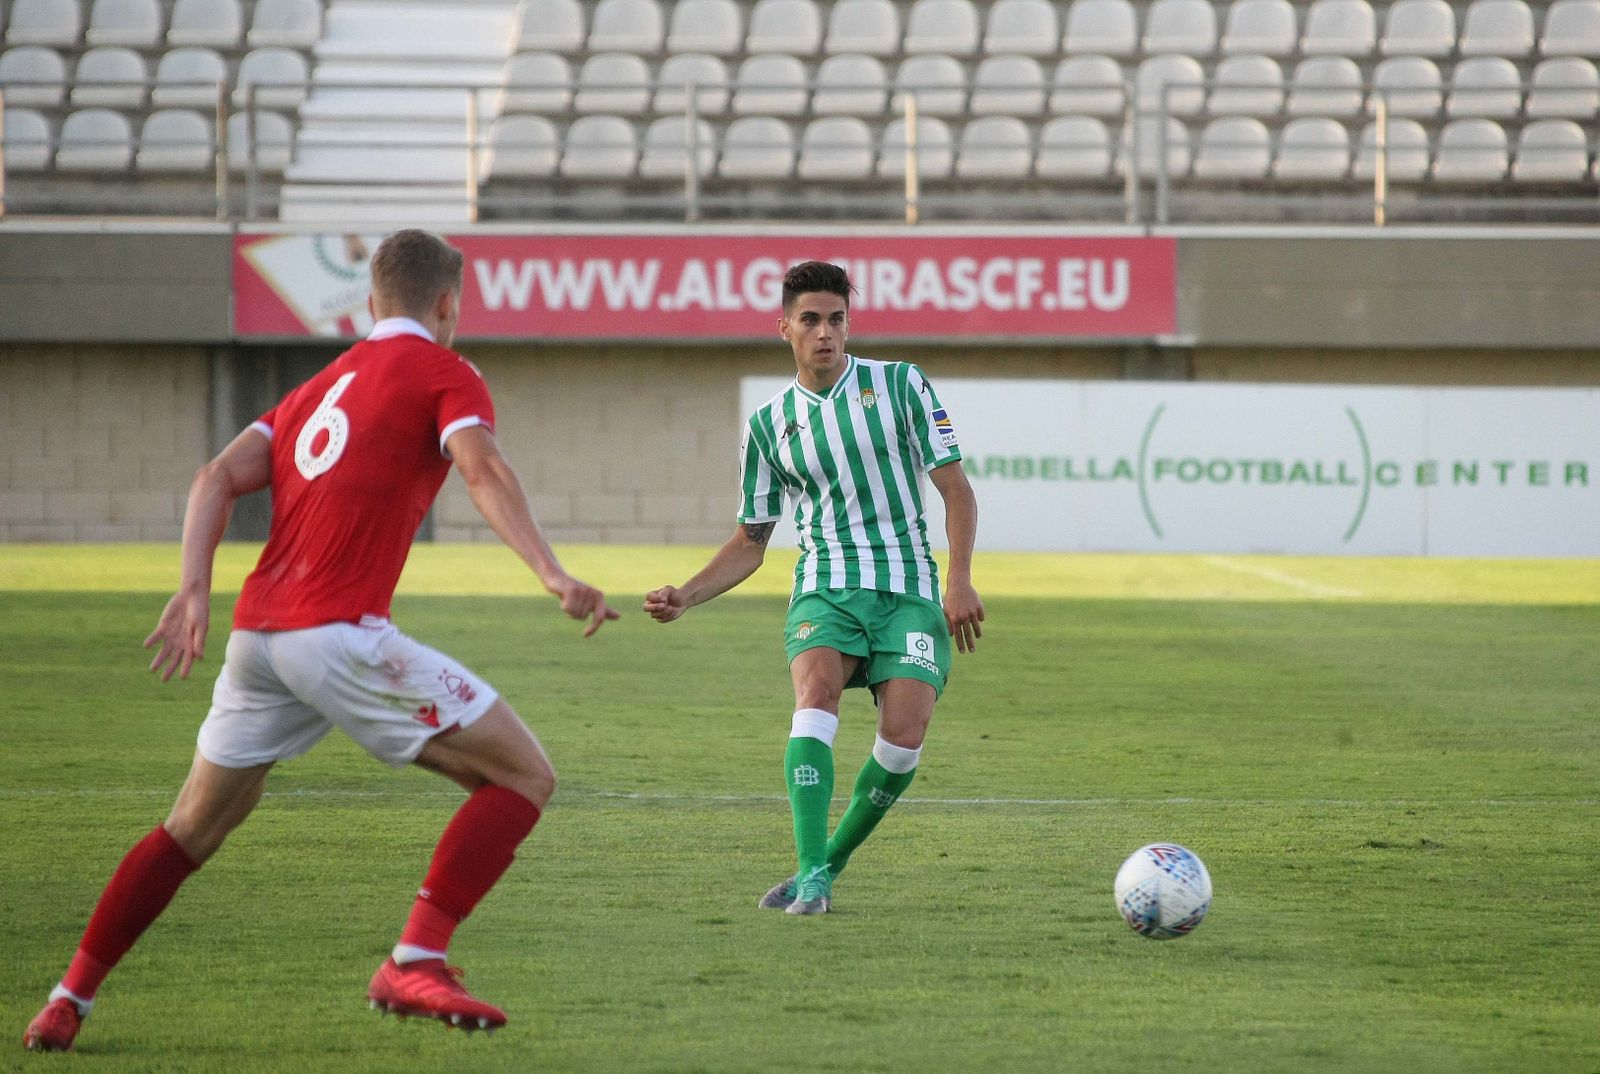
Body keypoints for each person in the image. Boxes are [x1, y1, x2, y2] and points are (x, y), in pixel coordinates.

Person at [23, 229, 618, 1051]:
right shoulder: (448, 372)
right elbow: (481, 469)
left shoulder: (316, 388)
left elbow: (214, 477)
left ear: (369, 304)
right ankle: (415, 957)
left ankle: (67, 997)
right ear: (448, 306)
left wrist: (193, 585)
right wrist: (552, 573)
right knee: (522, 775)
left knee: (187, 832)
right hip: (336, 635)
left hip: (257, 639)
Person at [644, 260, 984, 916]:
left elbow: (956, 489)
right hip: (825, 587)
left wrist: (959, 578)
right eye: (811, 320)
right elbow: (751, 539)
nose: (825, 332)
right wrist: (686, 594)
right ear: (785, 329)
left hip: (909, 588)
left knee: (903, 737)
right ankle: (812, 874)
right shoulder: (770, 426)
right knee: (816, 694)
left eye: (836, 319)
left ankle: (827, 865)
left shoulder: (901, 385)